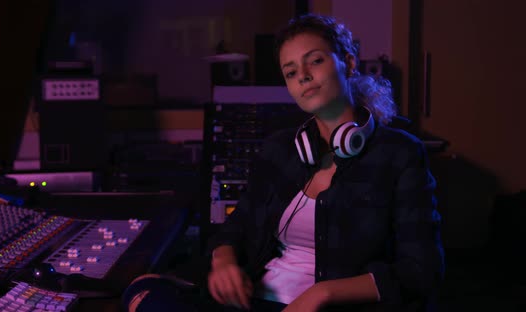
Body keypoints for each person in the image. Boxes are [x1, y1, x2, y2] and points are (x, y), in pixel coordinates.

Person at [123, 14, 444, 312]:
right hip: (253, 299)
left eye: (314, 62)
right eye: (291, 72)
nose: (303, 76)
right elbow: (235, 227)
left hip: (327, 306)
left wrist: (322, 293)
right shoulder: (280, 149)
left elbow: (421, 270)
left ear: (348, 63)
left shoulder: (399, 153)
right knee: (143, 293)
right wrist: (224, 262)